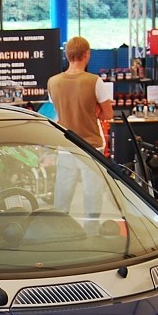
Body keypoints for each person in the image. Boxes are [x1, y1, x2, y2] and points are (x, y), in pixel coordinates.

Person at [47, 36, 113, 219]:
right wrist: (96, 110)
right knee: (92, 195)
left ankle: (61, 229)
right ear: (86, 54)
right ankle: (91, 230)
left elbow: (58, 112)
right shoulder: (95, 81)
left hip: (65, 145)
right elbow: (108, 114)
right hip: (92, 146)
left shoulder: (53, 82)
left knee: (62, 196)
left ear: (67, 55)